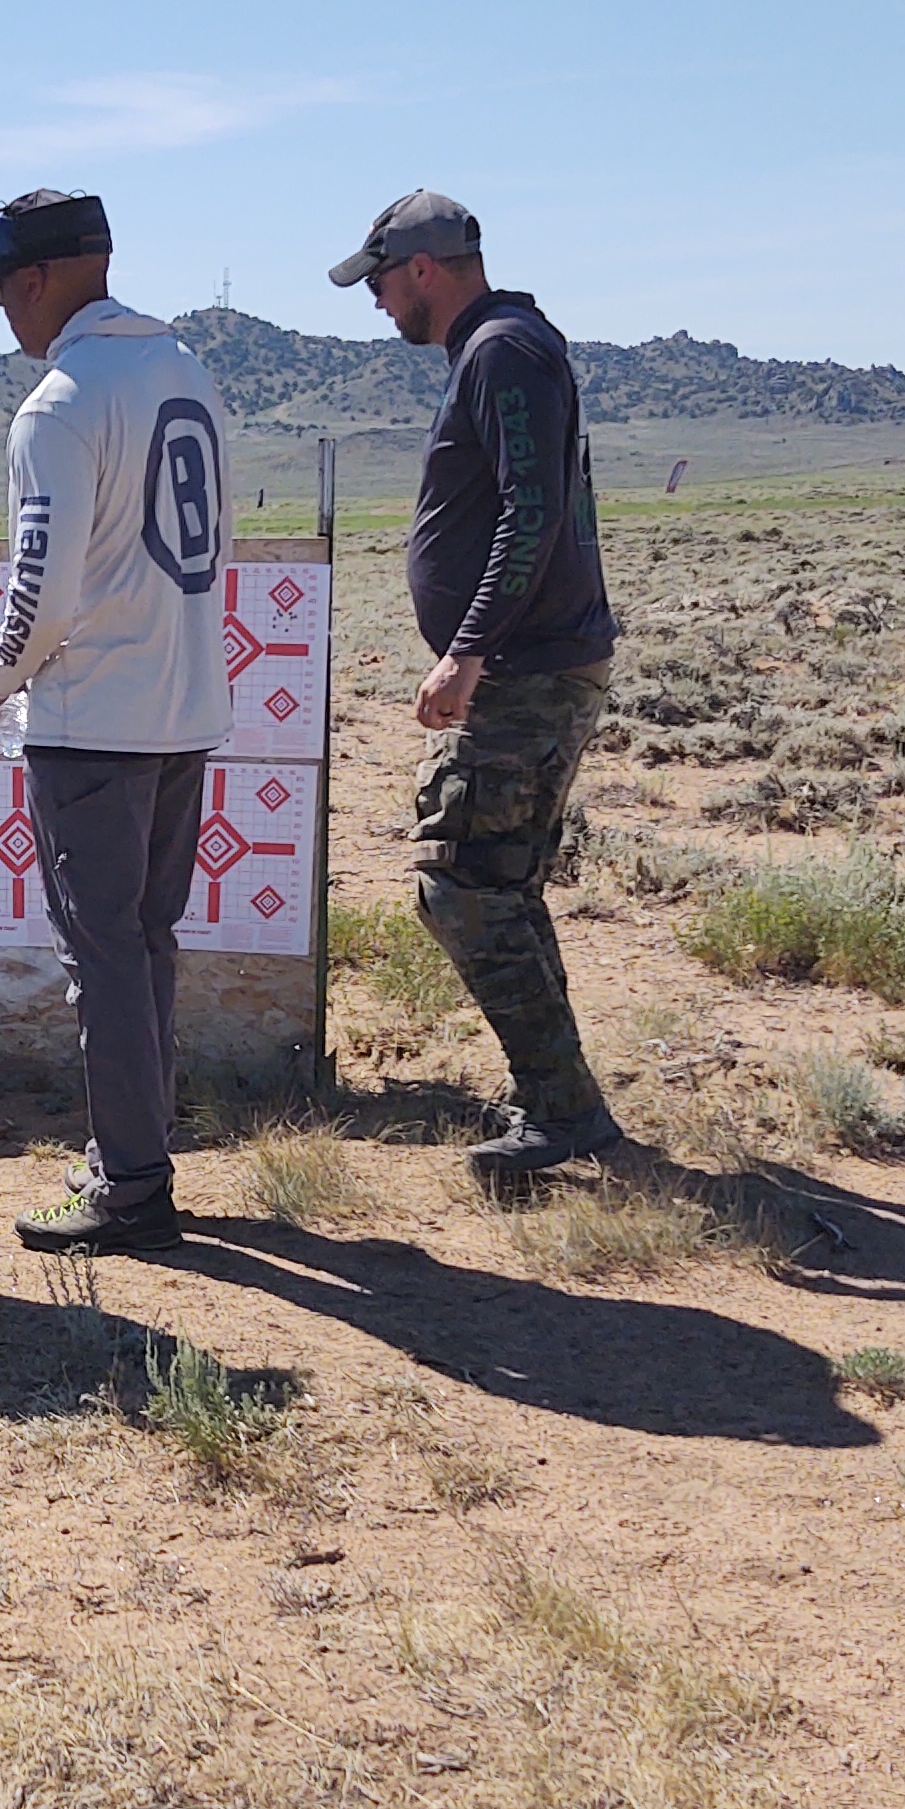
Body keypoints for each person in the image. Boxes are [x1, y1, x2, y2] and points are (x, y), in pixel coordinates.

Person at [0, 189, 234, 1254]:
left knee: (104, 953)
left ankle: (128, 1182)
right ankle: (139, 1150)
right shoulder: (184, 371)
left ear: (32, 280)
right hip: (182, 705)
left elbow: (43, 580)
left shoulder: (59, 403)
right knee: (144, 943)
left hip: (92, 719)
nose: (1, 317)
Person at [329, 191, 622, 1175]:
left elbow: (527, 515)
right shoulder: (503, 349)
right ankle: (560, 1101)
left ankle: (561, 1108)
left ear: (419, 268)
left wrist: (468, 648)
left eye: (378, 281)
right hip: (532, 660)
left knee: (461, 884)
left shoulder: (502, 352)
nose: (375, 304)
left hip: (525, 670)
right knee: (494, 883)